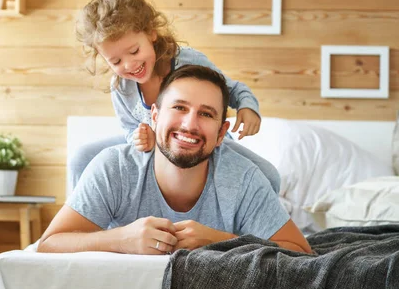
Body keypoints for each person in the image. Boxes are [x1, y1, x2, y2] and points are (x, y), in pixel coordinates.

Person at [38, 65, 311, 254]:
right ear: (155, 117)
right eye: (179, 107)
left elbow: (300, 251)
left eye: (206, 114)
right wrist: (122, 238)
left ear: (221, 134)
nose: (189, 124)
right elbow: (49, 243)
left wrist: (219, 241)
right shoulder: (114, 168)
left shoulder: (244, 179)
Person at [70, 0, 281, 194]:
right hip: (157, 146)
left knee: (268, 175)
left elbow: (233, 89)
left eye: (134, 51)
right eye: (115, 61)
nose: (128, 65)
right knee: (81, 159)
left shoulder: (188, 61)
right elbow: (128, 128)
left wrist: (248, 107)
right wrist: (139, 138)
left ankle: (260, 224)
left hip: (202, 141)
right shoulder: (121, 87)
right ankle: (87, 222)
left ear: (151, 33)